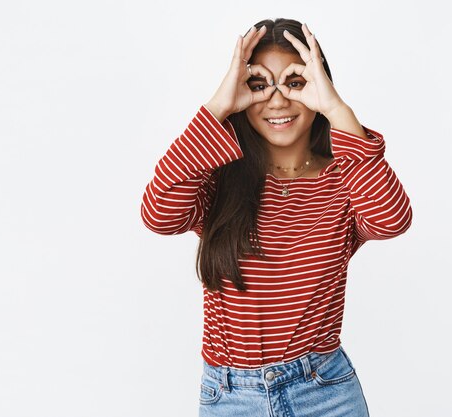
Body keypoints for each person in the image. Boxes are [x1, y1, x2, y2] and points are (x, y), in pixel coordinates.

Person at [139, 17, 412, 417]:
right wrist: (217, 106)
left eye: (296, 82)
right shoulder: (217, 178)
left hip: (326, 393)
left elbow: (392, 220)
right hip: (231, 396)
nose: (278, 100)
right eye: (258, 85)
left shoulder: (344, 181)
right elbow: (158, 214)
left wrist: (337, 108)